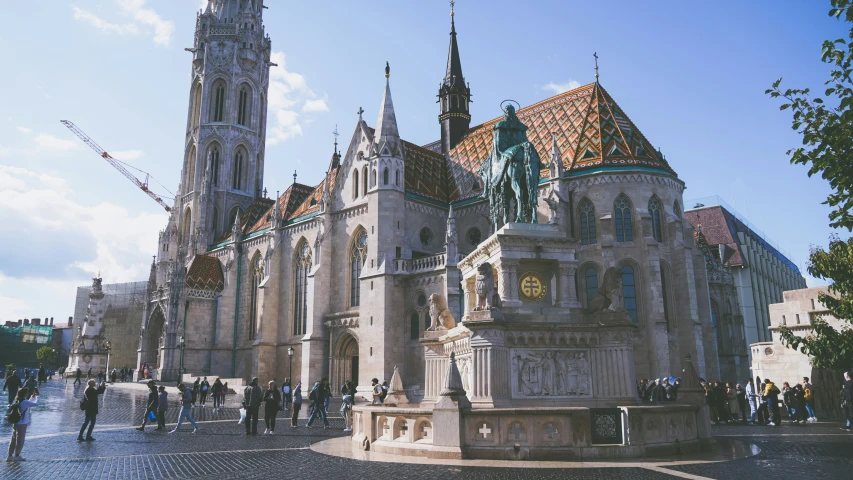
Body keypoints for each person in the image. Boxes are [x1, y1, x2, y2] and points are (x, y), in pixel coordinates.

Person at [6, 386, 38, 462]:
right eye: (27, 393)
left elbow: (28, 404)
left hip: (16, 422)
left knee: (13, 439)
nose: (28, 393)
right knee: (20, 440)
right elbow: (36, 404)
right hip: (22, 423)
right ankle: (17, 455)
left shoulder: (18, 400)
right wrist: (38, 396)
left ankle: (10, 456)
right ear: (25, 394)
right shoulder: (25, 402)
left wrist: (32, 398)